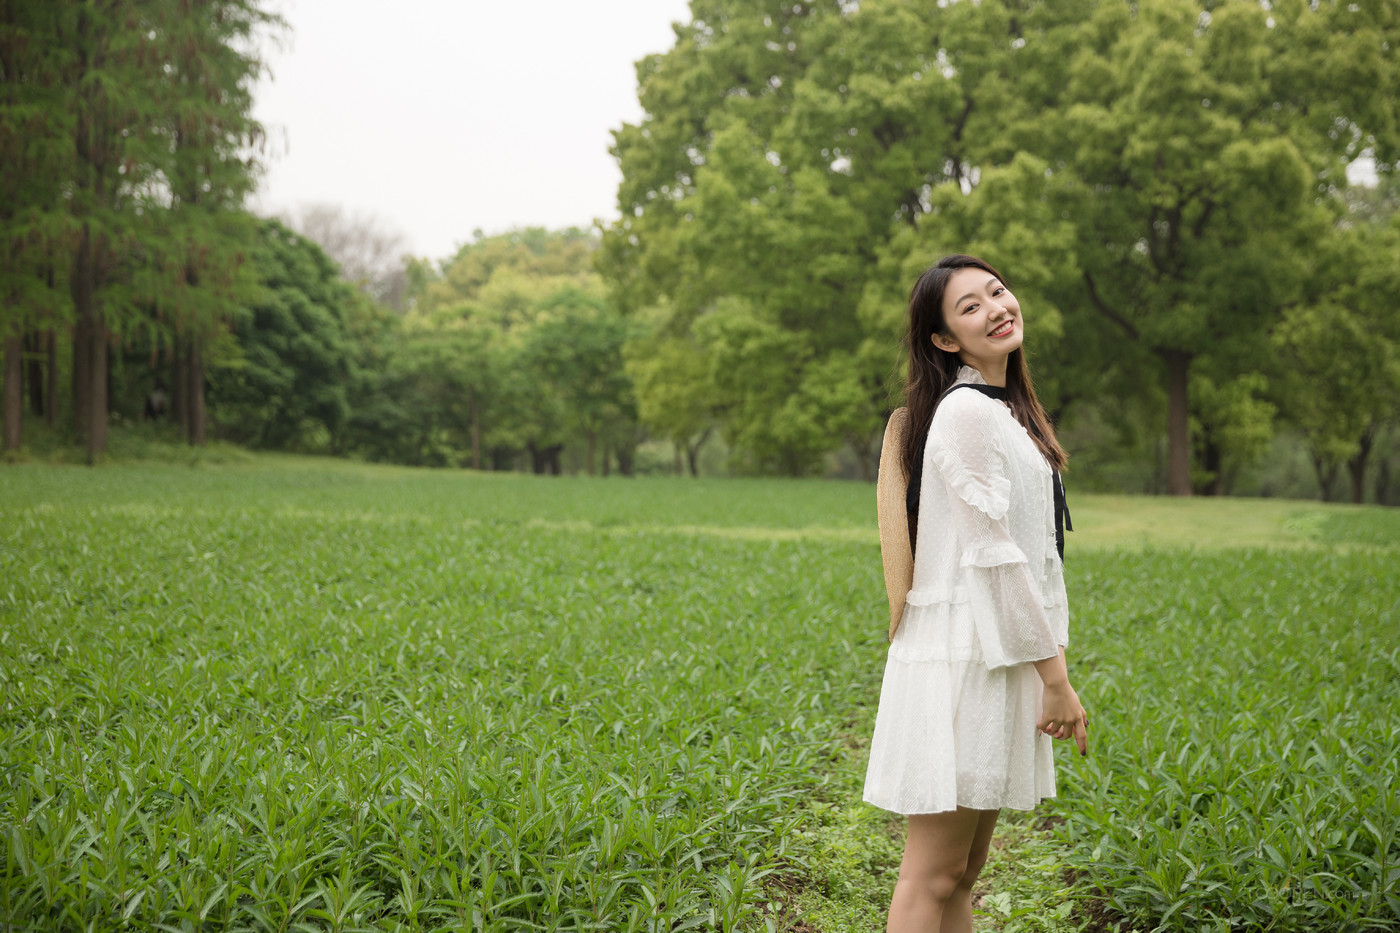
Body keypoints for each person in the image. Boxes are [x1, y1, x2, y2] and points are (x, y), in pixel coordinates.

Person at [865, 254, 1088, 933]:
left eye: (996, 290)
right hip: (961, 658)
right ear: (943, 339)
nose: (995, 307)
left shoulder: (1007, 412)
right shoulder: (966, 413)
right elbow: (995, 557)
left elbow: (1032, 556)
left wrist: (1045, 663)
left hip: (994, 655)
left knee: (963, 873)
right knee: (930, 874)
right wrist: (1054, 675)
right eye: (970, 306)